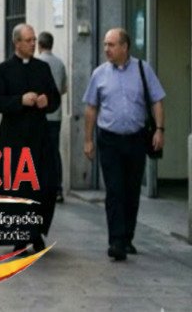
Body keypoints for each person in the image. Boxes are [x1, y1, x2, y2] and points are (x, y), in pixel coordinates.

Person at [83, 28, 165, 261]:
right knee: (115, 190)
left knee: (131, 190)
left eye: (111, 45)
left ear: (125, 47)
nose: (106, 49)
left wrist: (159, 130)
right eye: (105, 44)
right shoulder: (99, 74)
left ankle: (128, 237)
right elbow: (90, 108)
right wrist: (88, 140)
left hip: (137, 138)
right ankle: (116, 240)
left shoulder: (143, 69)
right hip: (109, 139)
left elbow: (157, 101)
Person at [0, 23, 60, 254]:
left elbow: (55, 98)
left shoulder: (43, 68)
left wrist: (45, 102)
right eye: (28, 40)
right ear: (17, 43)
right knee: (15, 188)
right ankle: (18, 236)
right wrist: (20, 100)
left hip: (39, 138)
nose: (33, 44)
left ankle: (36, 232)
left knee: (43, 186)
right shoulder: (3, 70)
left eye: (34, 40)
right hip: (13, 139)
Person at [36, 31, 68, 203]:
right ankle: (58, 189)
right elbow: (63, 89)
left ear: (39, 45)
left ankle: (40, 188)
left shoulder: (37, 63)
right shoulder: (60, 64)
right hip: (56, 115)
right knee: (54, 152)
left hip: (39, 116)